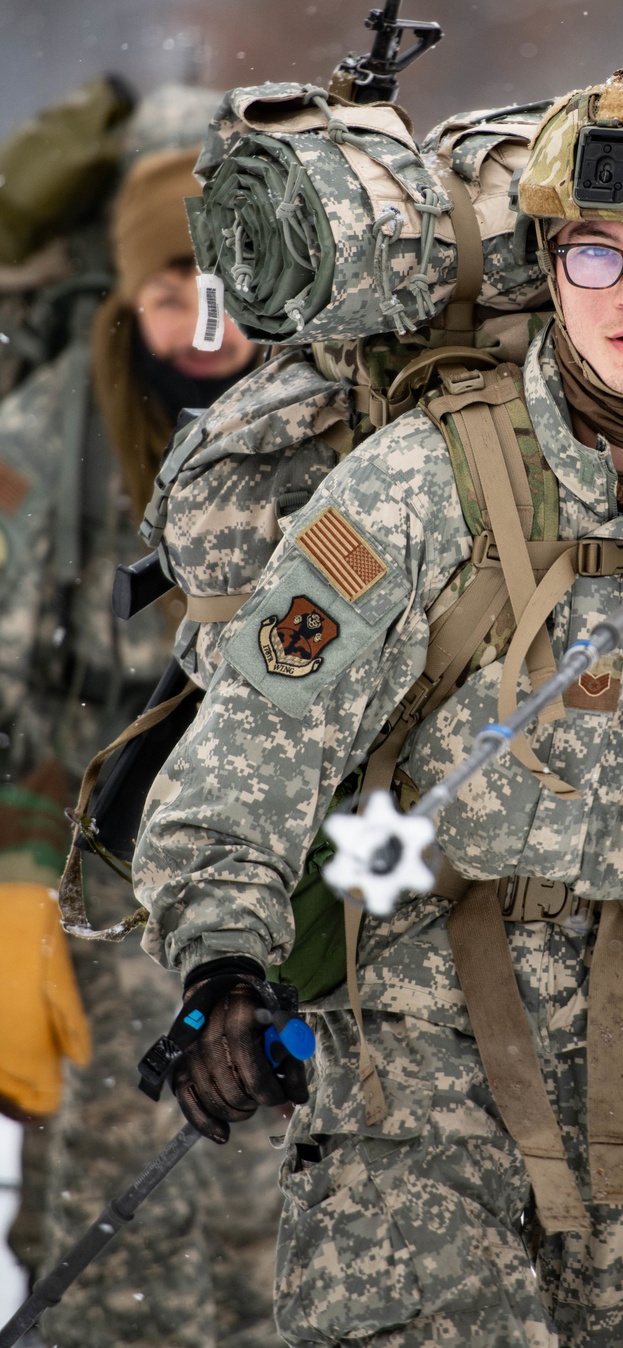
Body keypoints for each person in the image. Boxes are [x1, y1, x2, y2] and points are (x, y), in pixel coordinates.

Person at [132, 62, 623, 1348]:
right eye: (594, 256)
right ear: (549, 269)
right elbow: (256, 746)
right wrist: (224, 963)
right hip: (414, 1047)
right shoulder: (418, 482)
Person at [0, 132, 287, 1348]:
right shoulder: (41, 452)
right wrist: (11, 886)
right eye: (171, 290)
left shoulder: (326, 429)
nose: (202, 322)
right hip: (98, 878)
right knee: (114, 1200)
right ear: (129, 296)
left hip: (283, 877)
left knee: (274, 1200)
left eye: (225, 286)